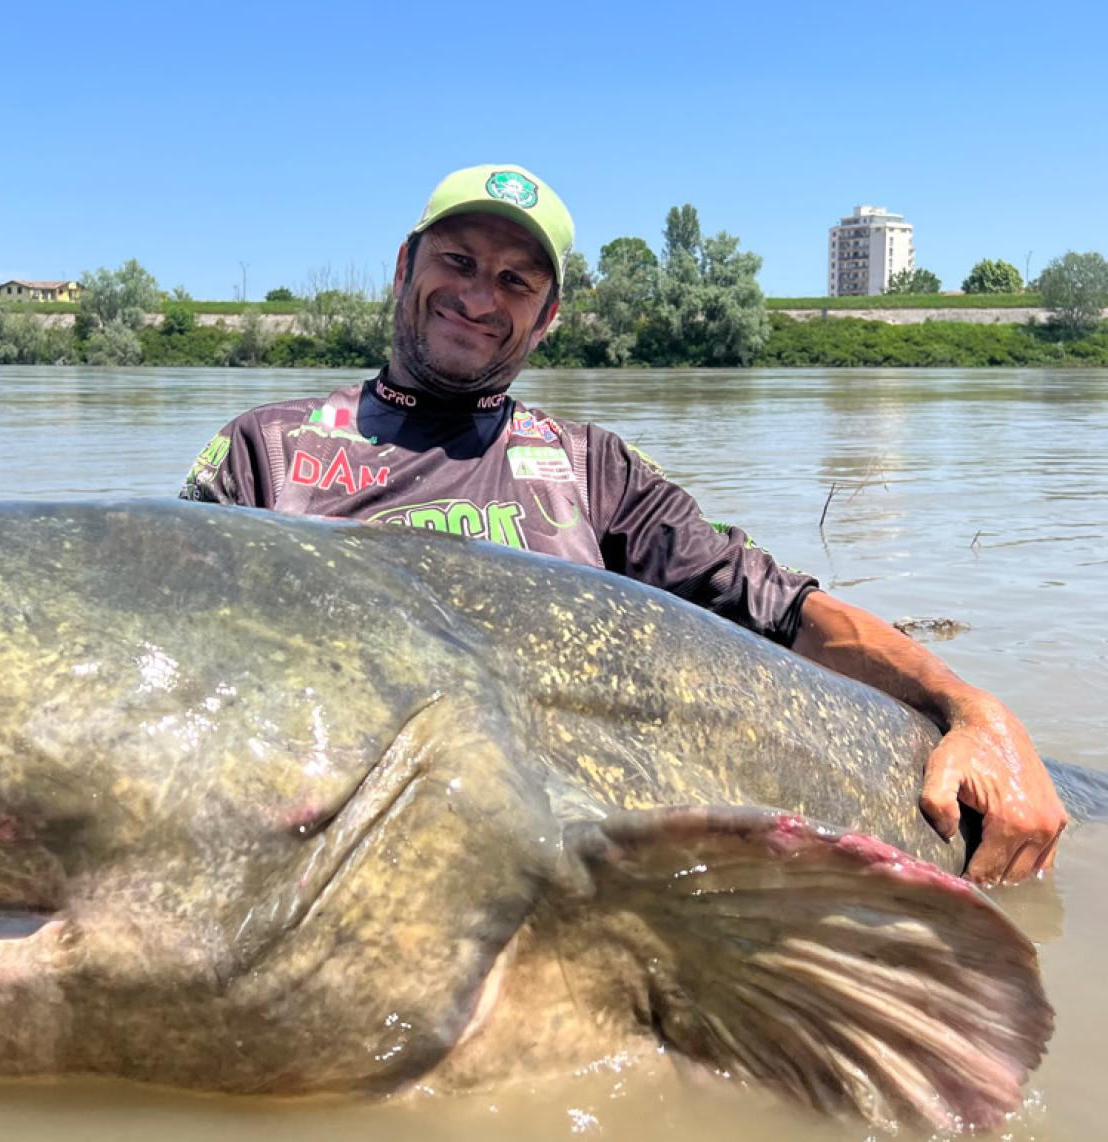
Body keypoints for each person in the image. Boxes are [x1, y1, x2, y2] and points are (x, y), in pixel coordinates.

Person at [178, 163, 1067, 886]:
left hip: (564, 865)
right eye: (457, 261)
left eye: (516, 279)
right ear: (405, 264)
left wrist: (973, 708)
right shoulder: (266, 450)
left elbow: (785, 613)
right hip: (335, 856)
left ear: (549, 316)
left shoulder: (594, 469)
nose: (480, 296)